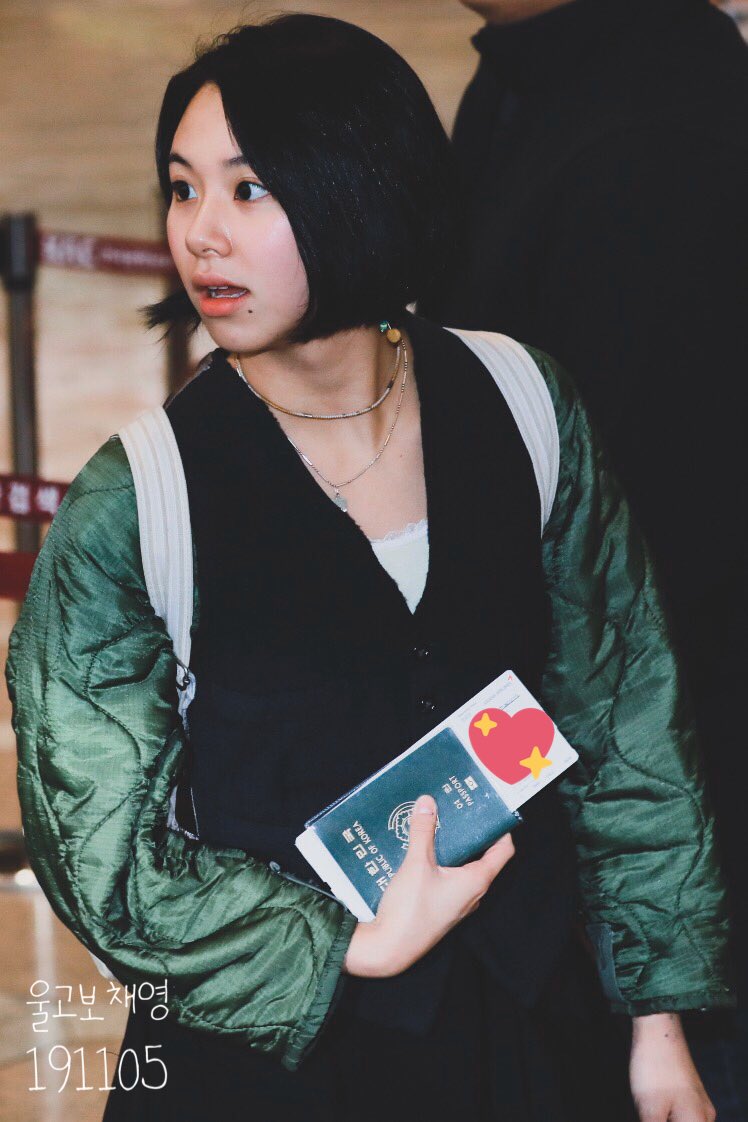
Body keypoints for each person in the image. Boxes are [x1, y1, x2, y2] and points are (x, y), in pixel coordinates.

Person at [5, 15, 733, 1122]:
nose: (201, 234)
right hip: (268, 1071)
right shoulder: (137, 494)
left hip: (528, 1037)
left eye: (249, 190)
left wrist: (657, 1024)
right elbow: (97, 844)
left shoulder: (522, 402)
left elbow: (626, 722)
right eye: (182, 188)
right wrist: (342, 943)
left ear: (360, 187)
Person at [421, 0, 748, 1114]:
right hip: (563, 813)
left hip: (662, 843)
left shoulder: (652, 146)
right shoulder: (530, 88)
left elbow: (645, 579)